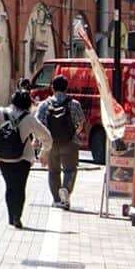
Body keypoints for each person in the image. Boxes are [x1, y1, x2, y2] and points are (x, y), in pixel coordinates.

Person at [0, 88, 52, 229]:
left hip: (4, 158)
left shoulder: (0, 112)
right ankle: (17, 216)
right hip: (23, 159)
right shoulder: (29, 118)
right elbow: (47, 137)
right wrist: (44, 152)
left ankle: (11, 217)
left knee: (10, 187)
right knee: (20, 187)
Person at [36, 74, 85, 210]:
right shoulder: (74, 104)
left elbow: (38, 124)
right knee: (70, 170)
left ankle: (57, 200)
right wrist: (74, 133)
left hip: (50, 144)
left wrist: (37, 141)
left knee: (53, 172)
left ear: (52, 88)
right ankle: (66, 190)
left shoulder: (44, 105)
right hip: (69, 143)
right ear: (66, 88)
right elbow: (80, 123)